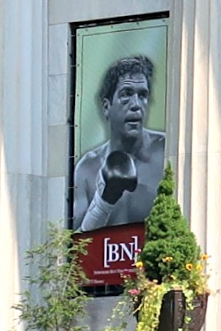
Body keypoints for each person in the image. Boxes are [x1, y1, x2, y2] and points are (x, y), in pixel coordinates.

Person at [70, 53, 169, 232]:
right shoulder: (87, 167)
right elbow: (76, 248)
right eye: (126, 94)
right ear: (107, 106)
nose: (136, 104)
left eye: (142, 95)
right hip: (105, 259)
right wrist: (104, 199)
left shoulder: (167, 151)